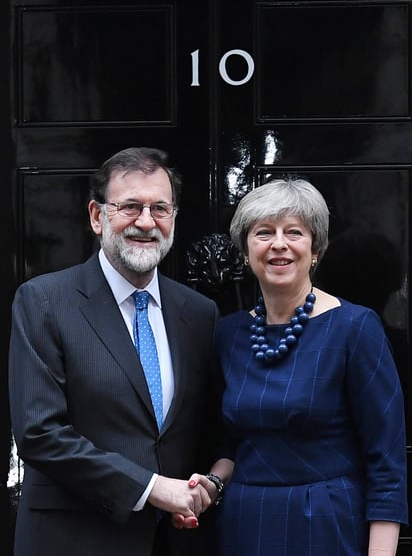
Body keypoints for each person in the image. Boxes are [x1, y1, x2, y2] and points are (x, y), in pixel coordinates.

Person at [174, 177, 409, 555]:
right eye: (264, 232)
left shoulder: (355, 327)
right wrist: (209, 486)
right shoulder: (229, 333)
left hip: (327, 524)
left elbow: (387, 465)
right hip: (244, 524)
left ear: (315, 248)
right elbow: (229, 445)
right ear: (247, 250)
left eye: (294, 232)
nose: (279, 244)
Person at [8, 147, 219, 556]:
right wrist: (151, 488)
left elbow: (205, 429)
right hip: (74, 541)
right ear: (96, 216)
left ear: (173, 218)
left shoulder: (198, 313)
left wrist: (209, 483)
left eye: (160, 208)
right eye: (130, 207)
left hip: (177, 540)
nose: (145, 221)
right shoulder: (44, 301)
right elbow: (39, 433)